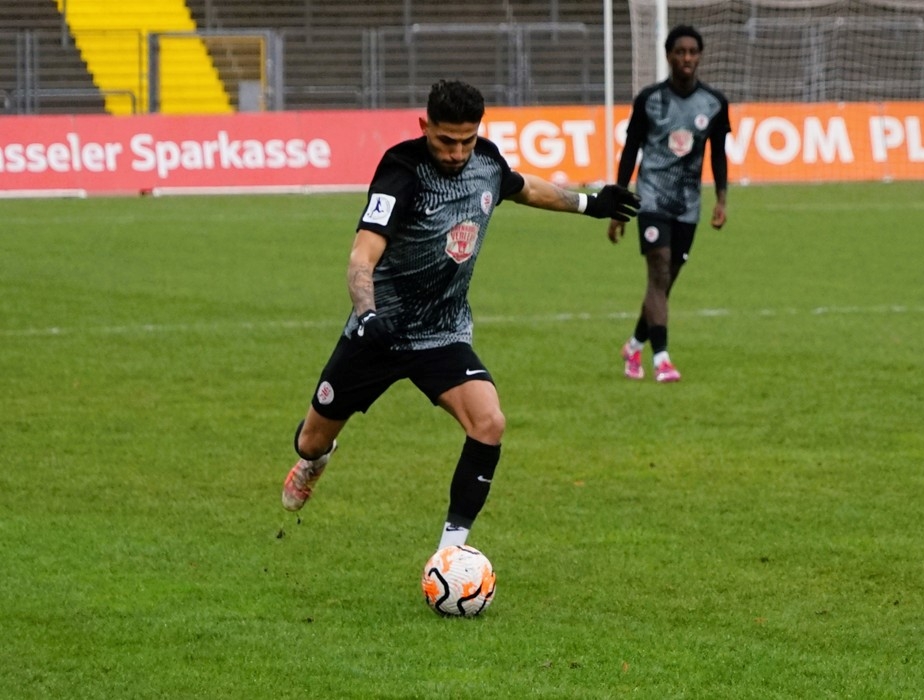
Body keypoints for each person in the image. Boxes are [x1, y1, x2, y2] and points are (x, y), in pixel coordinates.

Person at [282, 79, 639, 550]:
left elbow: (525, 188)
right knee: (310, 440)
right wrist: (367, 315)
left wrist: (590, 204)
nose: (456, 153)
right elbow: (361, 257)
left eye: (466, 141)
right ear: (424, 126)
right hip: (380, 332)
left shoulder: (486, 162)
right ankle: (316, 459)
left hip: (443, 334)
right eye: (446, 141)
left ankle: (450, 553)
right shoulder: (400, 171)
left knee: (489, 422)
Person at [608, 24, 731, 383]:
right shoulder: (649, 99)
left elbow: (718, 154)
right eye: (680, 52)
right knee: (658, 271)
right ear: (669, 56)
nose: (687, 58)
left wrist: (721, 199)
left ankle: (634, 345)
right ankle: (661, 358)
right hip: (651, 198)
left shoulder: (714, 103)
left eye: (692, 52)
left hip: (688, 205)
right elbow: (630, 151)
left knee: (664, 283)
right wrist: (618, 205)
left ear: (700, 56)